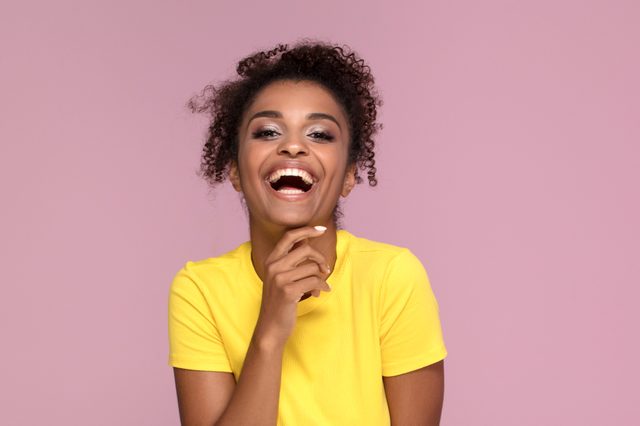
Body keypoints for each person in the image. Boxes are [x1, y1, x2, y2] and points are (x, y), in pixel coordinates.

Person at [168, 40, 448, 425]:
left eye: (319, 134)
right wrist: (269, 331)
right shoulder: (199, 289)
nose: (293, 146)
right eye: (267, 131)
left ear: (349, 175)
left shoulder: (393, 277)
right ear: (233, 169)